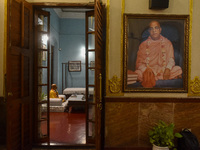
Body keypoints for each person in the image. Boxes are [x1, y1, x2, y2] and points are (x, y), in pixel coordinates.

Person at [129, 20, 182, 88]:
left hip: (163, 70)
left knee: (178, 69)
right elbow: (139, 63)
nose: (154, 30)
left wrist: (168, 69)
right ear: (149, 31)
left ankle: (157, 77)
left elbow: (171, 59)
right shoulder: (143, 45)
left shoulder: (167, 43)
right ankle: (154, 77)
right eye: (151, 29)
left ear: (160, 30)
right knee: (138, 73)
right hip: (148, 71)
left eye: (156, 28)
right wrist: (146, 70)